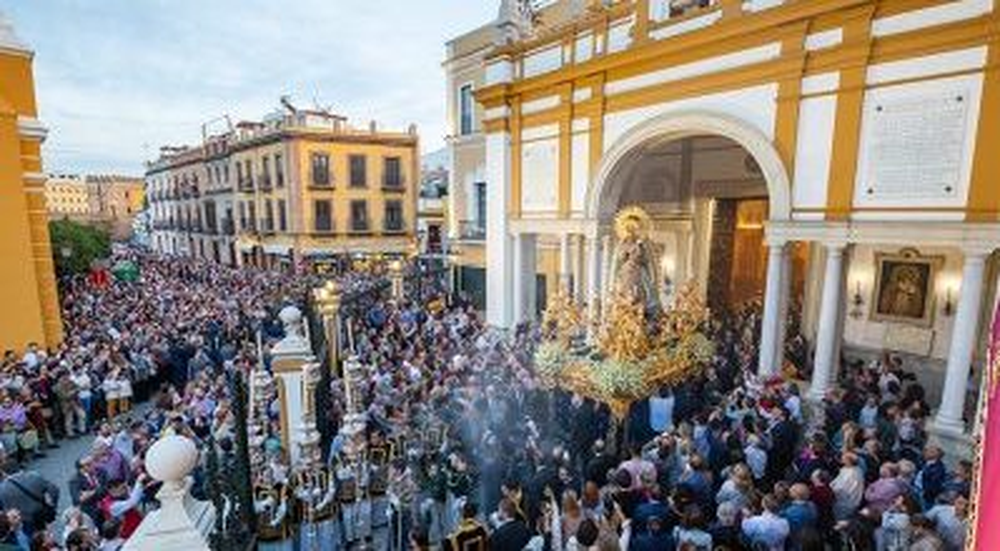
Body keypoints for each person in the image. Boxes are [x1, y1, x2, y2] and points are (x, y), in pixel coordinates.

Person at [0, 468, 59, 535]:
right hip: (41, 512)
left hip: (24, 522)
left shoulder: (1, 491)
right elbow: (54, 489)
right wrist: (53, 505)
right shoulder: (33, 475)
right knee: (46, 535)